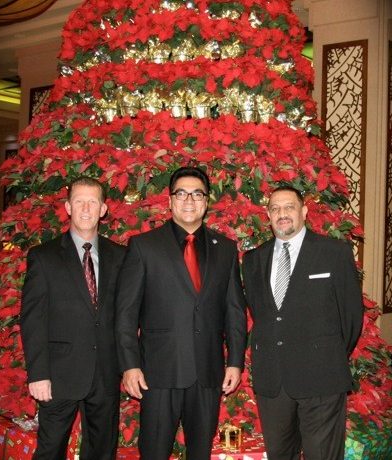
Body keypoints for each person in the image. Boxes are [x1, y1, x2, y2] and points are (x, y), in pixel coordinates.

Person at [115, 166, 247, 460]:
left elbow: (235, 311)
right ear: (170, 200)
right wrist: (129, 365)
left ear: (206, 201)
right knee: (154, 452)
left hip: (208, 372)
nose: (189, 200)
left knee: (200, 452)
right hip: (158, 373)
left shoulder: (225, 249)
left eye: (197, 193)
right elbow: (125, 313)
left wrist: (235, 362)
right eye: (181, 193)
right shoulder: (144, 246)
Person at [242, 186, 364, 460]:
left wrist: (326, 354)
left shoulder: (334, 252)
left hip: (321, 378)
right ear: (268, 216)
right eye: (275, 209)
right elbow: (263, 316)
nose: (282, 214)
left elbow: (352, 317)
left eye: (289, 207)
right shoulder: (252, 261)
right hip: (273, 383)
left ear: (304, 211)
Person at [20, 176, 126, 460]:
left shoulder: (120, 256)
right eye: (79, 201)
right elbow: (33, 319)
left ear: (103, 209)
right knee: (50, 451)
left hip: (105, 373)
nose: (86, 209)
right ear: (68, 207)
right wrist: (38, 374)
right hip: (58, 376)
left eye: (93, 202)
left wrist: (129, 366)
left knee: (102, 452)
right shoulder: (44, 257)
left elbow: (127, 315)